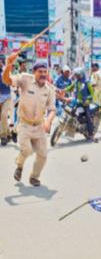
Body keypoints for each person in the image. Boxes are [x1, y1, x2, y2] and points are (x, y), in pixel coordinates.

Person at [2, 56, 56, 186]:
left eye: (45, 72)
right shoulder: (25, 79)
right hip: (24, 124)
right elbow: (7, 80)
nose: (43, 74)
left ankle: (34, 177)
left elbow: (52, 110)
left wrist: (48, 121)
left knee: (43, 155)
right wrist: (8, 65)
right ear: (34, 72)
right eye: (40, 71)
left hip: (39, 126)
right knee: (27, 150)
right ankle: (19, 165)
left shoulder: (49, 90)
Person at [64, 68, 96, 142]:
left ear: (81, 75)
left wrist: (87, 99)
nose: (76, 76)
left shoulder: (87, 83)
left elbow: (92, 94)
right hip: (77, 102)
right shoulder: (76, 82)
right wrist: (63, 90)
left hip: (85, 103)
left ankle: (91, 135)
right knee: (71, 111)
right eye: (75, 75)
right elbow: (70, 88)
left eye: (77, 75)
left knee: (88, 117)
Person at [0, 55, 12, 146]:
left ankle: (3, 137)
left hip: (7, 97)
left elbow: (10, 80)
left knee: (4, 115)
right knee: (2, 118)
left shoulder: (5, 71)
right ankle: (9, 134)